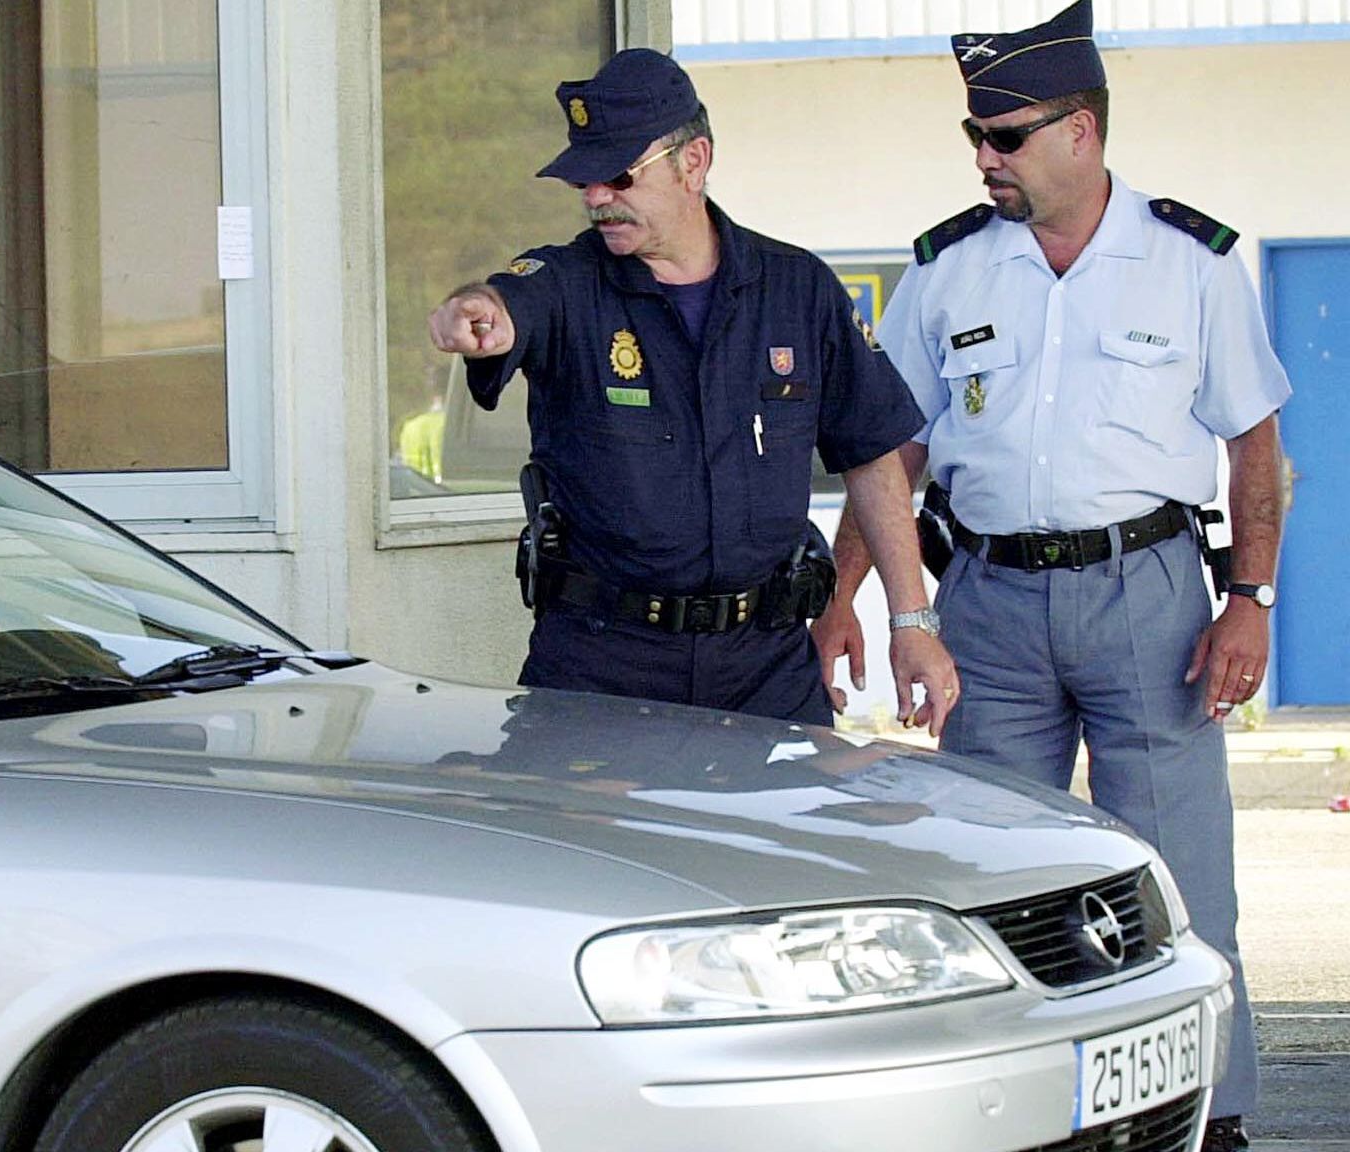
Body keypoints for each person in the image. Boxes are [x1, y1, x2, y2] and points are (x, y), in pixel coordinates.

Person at [812, 3, 1286, 1144]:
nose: (984, 157)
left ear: (1081, 130)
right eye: (974, 135)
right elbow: (892, 451)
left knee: (1176, 876)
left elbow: (1254, 450)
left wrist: (1249, 602)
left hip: (1150, 596)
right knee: (986, 873)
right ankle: (1021, 1112)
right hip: (987, 605)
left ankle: (1203, 1114)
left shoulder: (1192, 264)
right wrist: (844, 595)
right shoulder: (946, 272)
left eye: (1006, 135)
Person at [426, 48, 957, 729]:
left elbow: (873, 452)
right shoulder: (567, 284)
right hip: (604, 662)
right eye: (583, 181)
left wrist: (910, 621)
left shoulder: (795, 289)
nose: (596, 198)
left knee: (782, 838)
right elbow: (508, 301)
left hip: (765, 663)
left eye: (617, 175)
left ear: (694, 161)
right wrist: (478, 311)